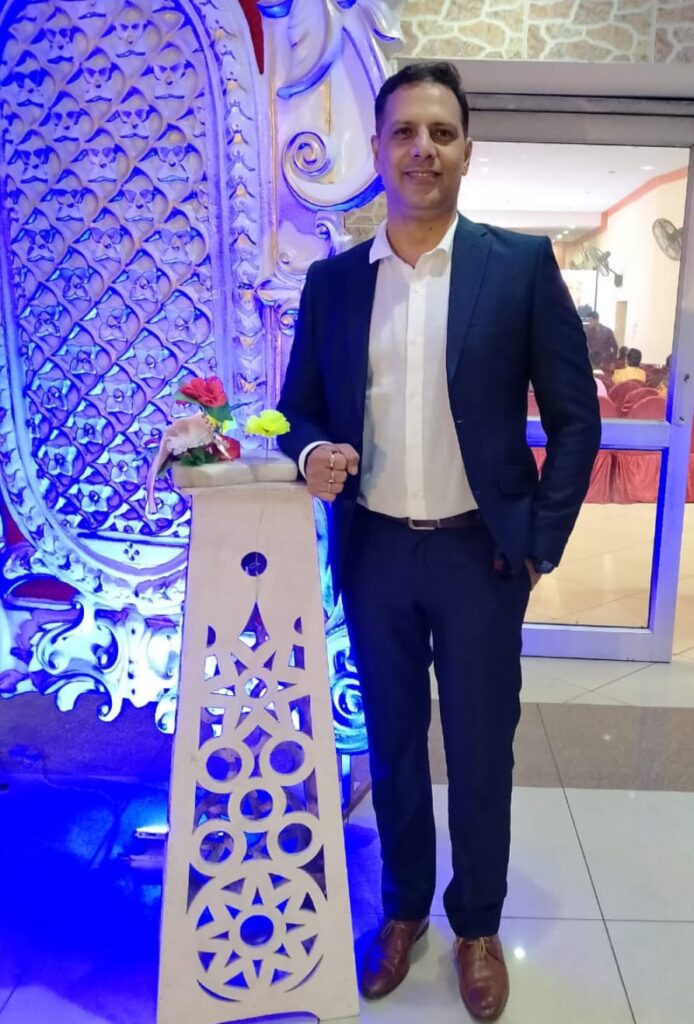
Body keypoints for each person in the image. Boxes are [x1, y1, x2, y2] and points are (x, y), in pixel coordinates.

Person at [278, 61, 600, 1022]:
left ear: (466, 152)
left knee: (481, 749)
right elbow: (298, 409)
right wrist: (312, 454)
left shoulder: (518, 266)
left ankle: (478, 926)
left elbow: (575, 419)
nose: (423, 149)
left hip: (481, 558)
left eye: (442, 133)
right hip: (375, 553)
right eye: (405, 133)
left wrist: (539, 539)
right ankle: (403, 911)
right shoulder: (336, 283)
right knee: (389, 746)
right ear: (378, 151)